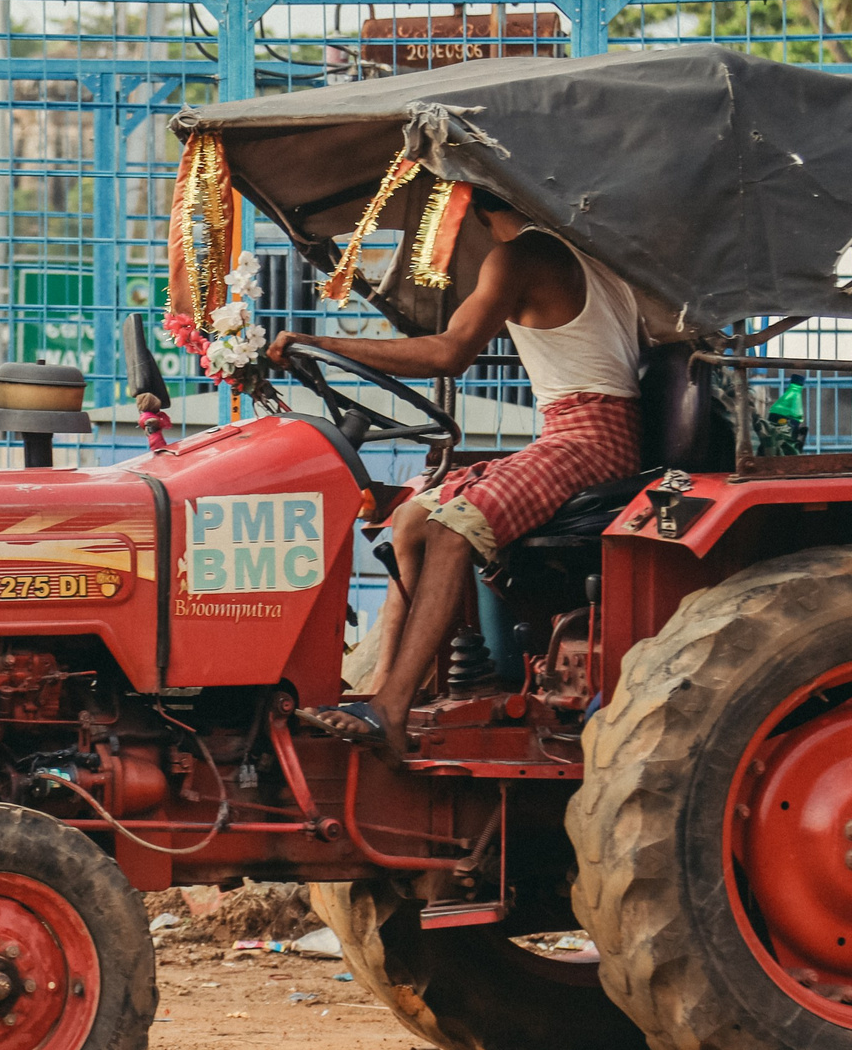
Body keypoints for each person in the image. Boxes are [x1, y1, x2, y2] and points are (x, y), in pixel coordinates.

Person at [270, 187, 644, 758]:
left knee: (454, 526)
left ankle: (391, 713)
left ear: (471, 209)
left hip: (589, 436)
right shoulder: (580, 250)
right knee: (414, 517)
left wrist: (316, 341)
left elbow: (449, 353)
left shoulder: (520, 254)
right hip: (581, 431)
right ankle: (386, 689)